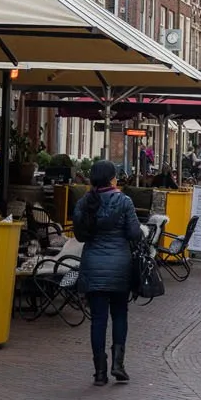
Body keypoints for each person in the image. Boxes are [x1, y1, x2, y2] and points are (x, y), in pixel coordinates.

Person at [71, 160, 144, 386]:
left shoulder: (84, 203)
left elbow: (80, 236)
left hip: (93, 265)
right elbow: (134, 233)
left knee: (98, 320)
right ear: (112, 179)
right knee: (120, 315)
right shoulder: (124, 202)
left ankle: (99, 372)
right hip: (120, 266)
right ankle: (118, 365)